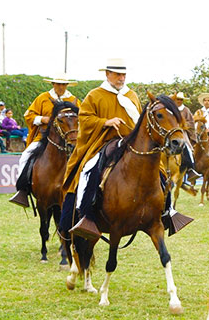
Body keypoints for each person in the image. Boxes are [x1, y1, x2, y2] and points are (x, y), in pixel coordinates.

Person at [61, 58, 143, 239]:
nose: (122, 78)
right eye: (117, 74)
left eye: (124, 74)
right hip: (102, 143)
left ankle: (167, 210)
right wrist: (105, 122)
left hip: (130, 144)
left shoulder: (132, 96)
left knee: (158, 167)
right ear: (107, 74)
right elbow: (84, 118)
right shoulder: (95, 95)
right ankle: (84, 215)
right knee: (87, 170)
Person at [9, 72, 80, 207]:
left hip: (69, 139)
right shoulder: (43, 98)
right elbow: (29, 115)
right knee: (25, 156)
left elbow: (81, 117)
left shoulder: (73, 100)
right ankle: (23, 190)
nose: (61, 87)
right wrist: (42, 119)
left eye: (63, 84)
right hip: (44, 137)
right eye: (58, 84)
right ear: (53, 84)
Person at [173, 91, 200, 181]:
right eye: (178, 99)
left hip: (182, 132)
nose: (179, 101)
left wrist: (182, 124)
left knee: (187, 148)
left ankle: (190, 169)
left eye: (181, 99)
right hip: (171, 132)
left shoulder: (186, 110)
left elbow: (191, 122)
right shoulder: (171, 109)